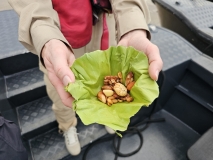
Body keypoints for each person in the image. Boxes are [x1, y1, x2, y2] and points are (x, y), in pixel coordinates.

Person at [8, 0, 163, 156]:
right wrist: (45, 34)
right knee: (63, 91)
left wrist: (132, 23)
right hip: (61, 33)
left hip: (107, 24)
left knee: (110, 77)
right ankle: (67, 125)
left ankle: (110, 117)